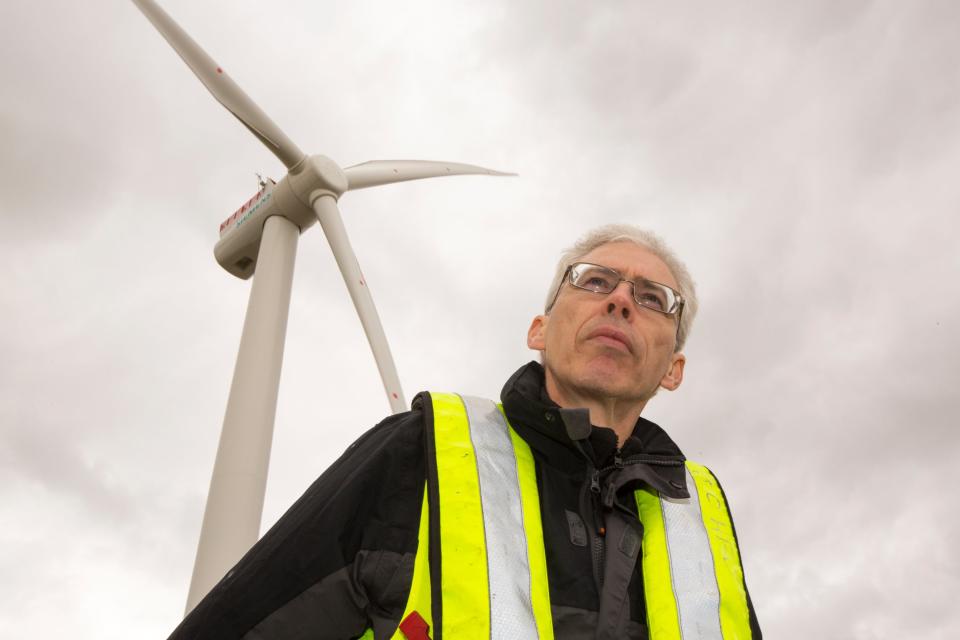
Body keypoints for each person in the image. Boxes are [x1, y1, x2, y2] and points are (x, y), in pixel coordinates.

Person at [168, 224, 762, 639]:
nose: (621, 301)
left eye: (653, 298)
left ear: (674, 370)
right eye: (595, 281)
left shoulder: (701, 519)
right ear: (540, 328)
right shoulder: (423, 450)